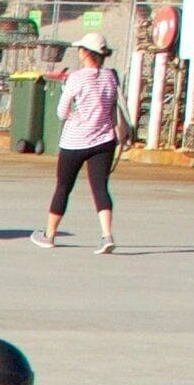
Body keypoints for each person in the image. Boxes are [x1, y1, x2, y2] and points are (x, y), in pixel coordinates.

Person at [40, 31, 123, 252]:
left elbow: (61, 111)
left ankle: (49, 235)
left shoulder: (76, 77)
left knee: (63, 187)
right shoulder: (111, 76)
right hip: (104, 139)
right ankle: (107, 235)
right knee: (100, 188)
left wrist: (73, 116)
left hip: (75, 141)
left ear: (86, 53)